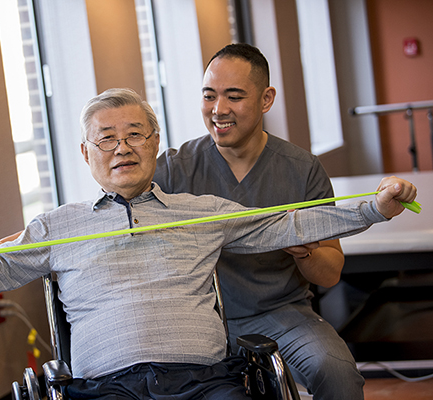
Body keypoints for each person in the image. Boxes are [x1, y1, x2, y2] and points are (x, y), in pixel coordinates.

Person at [0, 88, 416, 400]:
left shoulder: (202, 213)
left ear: (156, 144)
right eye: (106, 139)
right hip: (103, 389)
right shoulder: (56, 226)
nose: (122, 147)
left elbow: (288, 225)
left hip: (204, 383)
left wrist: (374, 209)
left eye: (135, 134)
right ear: (86, 155)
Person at [153, 43, 365, 399]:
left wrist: (305, 253)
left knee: (337, 372)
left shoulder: (301, 170)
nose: (219, 110)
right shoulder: (174, 169)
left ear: (266, 99)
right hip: (197, 319)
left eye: (234, 97)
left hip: (280, 313)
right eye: (209, 96)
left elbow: (329, 273)